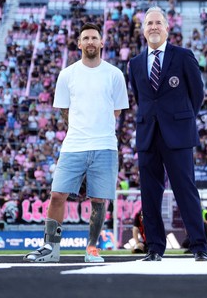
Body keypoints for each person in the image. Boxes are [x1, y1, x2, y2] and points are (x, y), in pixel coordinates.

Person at [24, 23, 129, 264]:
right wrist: (80, 128)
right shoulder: (67, 74)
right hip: (74, 145)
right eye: (86, 38)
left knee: (99, 200)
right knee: (57, 194)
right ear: (79, 44)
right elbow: (63, 110)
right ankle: (51, 248)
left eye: (94, 38)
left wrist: (96, 127)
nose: (90, 42)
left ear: (102, 43)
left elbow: (116, 112)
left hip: (104, 145)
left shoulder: (114, 74)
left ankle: (92, 248)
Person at [128, 6, 207, 262]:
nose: (153, 27)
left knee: (185, 190)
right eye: (149, 23)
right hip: (148, 134)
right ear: (143, 30)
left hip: (178, 134)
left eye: (157, 23)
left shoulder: (183, 56)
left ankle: (198, 246)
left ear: (167, 27)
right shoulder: (135, 63)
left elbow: (198, 94)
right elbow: (141, 98)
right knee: (149, 194)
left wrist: (180, 118)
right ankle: (154, 247)